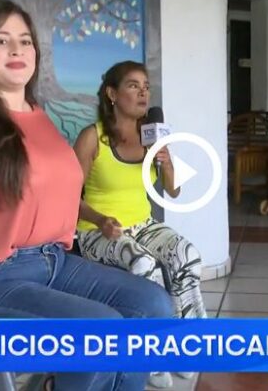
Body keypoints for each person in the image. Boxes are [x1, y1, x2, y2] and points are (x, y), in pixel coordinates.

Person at [0, 0, 173, 391]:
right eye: (1, 40)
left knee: (153, 306)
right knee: (101, 332)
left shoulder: (40, 118)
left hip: (54, 262)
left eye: (25, 41)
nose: (16, 49)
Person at [73, 61, 207, 388]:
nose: (143, 92)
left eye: (146, 86)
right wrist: (99, 220)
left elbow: (174, 190)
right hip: (97, 231)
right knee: (144, 264)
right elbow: (66, 198)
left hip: (142, 224)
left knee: (187, 255)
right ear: (112, 94)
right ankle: (151, 357)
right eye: (133, 85)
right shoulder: (92, 138)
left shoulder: (152, 135)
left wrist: (166, 159)